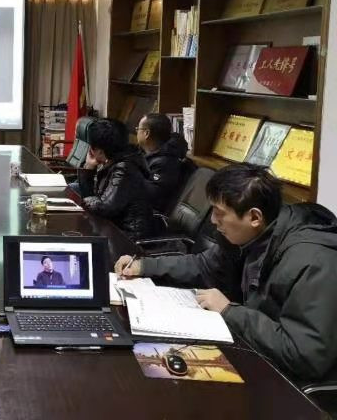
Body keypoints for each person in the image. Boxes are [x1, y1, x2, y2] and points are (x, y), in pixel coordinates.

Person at [114, 164, 337, 382]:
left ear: (254, 217)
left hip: (289, 383)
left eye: (219, 213)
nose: (212, 220)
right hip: (252, 349)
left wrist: (229, 311)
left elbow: (305, 355)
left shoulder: (314, 260)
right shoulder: (249, 235)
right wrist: (145, 266)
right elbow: (204, 265)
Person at [77, 118, 154, 239]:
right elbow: (96, 200)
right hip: (112, 227)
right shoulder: (118, 160)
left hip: (127, 236)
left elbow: (105, 208)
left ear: (99, 151)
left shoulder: (124, 168)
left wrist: (86, 200)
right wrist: (89, 167)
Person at [136, 113, 189, 213]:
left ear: (146, 133)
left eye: (138, 129)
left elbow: (151, 197)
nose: (137, 132)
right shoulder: (145, 152)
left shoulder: (165, 163)